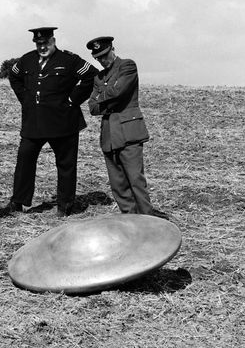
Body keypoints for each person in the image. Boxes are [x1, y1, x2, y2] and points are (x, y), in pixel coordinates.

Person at [8, 26, 98, 216]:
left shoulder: (69, 60)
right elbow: (14, 75)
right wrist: (24, 98)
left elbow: (91, 74)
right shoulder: (27, 60)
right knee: (24, 161)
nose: (42, 47)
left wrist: (73, 100)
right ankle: (18, 202)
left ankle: (65, 206)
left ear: (53, 41)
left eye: (46, 43)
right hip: (34, 122)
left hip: (63, 122)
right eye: (39, 44)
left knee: (66, 165)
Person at [86, 36, 153, 215]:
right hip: (109, 137)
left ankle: (149, 223)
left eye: (104, 55)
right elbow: (92, 107)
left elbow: (119, 91)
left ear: (112, 49)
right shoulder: (99, 77)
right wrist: (107, 95)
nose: (102, 60)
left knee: (136, 182)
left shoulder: (127, 66)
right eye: (98, 58)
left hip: (128, 133)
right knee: (118, 186)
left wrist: (102, 96)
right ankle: (130, 224)